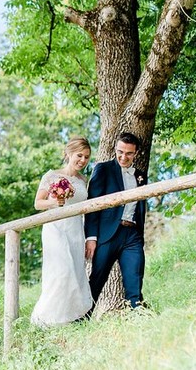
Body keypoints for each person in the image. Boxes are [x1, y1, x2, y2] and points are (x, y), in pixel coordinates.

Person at [30, 137, 94, 326]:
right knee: (61, 272)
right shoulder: (52, 176)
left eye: (87, 157)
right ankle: (44, 320)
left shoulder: (83, 180)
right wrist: (54, 202)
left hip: (76, 229)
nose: (82, 160)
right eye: (79, 155)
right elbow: (37, 203)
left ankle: (68, 319)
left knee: (76, 272)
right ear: (68, 154)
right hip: (56, 228)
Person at [84, 132, 148, 310]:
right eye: (120, 152)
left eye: (129, 153)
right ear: (115, 149)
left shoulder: (140, 176)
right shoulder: (103, 169)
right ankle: (81, 321)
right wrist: (91, 237)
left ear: (135, 154)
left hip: (132, 236)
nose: (123, 157)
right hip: (107, 234)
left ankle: (139, 320)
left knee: (134, 280)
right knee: (96, 280)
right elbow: (92, 205)